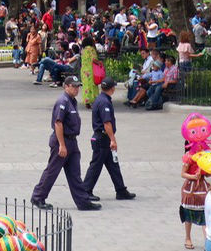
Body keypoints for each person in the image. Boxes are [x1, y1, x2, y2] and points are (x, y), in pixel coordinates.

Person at [31, 76, 101, 211]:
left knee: (75, 173)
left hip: (72, 141)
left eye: (78, 86)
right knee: (52, 171)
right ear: (66, 86)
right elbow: (58, 124)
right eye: (74, 86)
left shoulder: (72, 101)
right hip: (62, 141)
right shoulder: (62, 102)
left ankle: (83, 202)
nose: (77, 89)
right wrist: (62, 145)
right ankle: (38, 197)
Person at [83, 77, 135, 201]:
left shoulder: (100, 99)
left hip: (102, 138)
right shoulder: (104, 102)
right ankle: (85, 190)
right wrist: (113, 139)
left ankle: (121, 190)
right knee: (96, 165)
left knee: (113, 165)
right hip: (103, 138)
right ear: (112, 88)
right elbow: (107, 123)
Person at [181, 146, 209, 250]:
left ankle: (207, 240)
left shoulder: (205, 156)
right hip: (190, 187)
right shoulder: (189, 156)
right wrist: (193, 176)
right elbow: (183, 173)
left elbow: (207, 174)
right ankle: (188, 237)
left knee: (205, 214)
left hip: (202, 187)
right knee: (188, 213)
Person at [79, 38, 99, 108]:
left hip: (84, 70)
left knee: (86, 86)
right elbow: (94, 59)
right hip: (91, 70)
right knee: (93, 85)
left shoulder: (83, 50)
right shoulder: (91, 49)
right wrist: (99, 63)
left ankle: (87, 101)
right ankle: (94, 100)